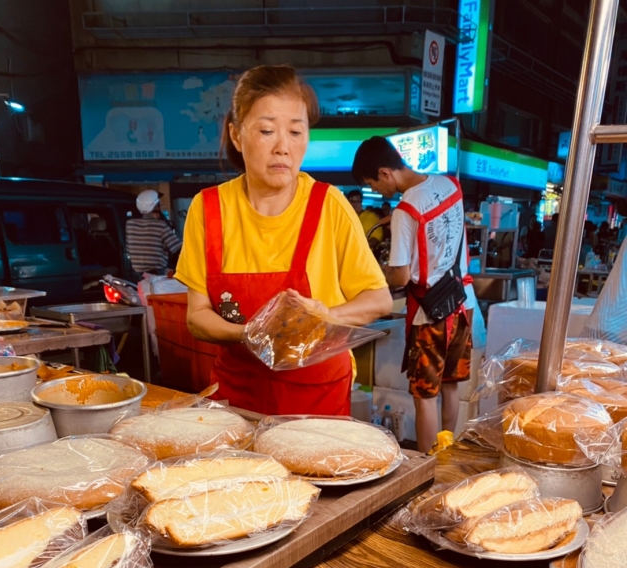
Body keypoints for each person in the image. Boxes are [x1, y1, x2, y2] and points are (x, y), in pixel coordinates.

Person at [175, 65, 392, 416]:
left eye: (295, 131)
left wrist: (326, 315)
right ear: (235, 135)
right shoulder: (209, 208)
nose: (283, 148)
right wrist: (248, 333)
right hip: (237, 396)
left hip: (317, 396)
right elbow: (197, 316)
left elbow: (378, 299)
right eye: (266, 130)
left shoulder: (327, 204)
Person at [351, 135, 473, 452]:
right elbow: (440, 227)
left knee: (424, 398)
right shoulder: (449, 184)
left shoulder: (406, 211)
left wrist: (384, 270)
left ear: (385, 173)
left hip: (430, 314)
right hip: (462, 301)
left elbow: (402, 276)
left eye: (373, 184)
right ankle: (447, 454)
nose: (376, 191)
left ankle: (426, 466)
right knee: (449, 388)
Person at [125, 189, 183, 277]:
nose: (162, 206)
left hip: (136, 276)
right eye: (160, 204)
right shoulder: (160, 225)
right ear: (155, 207)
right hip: (157, 276)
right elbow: (178, 250)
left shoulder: (130, 224)